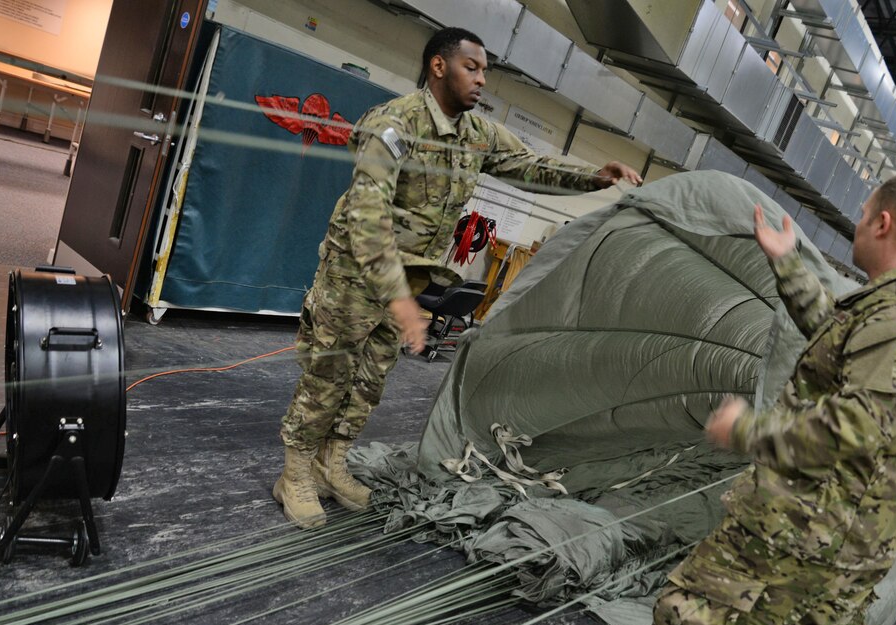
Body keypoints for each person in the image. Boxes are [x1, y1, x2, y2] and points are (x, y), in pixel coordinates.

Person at [536, 173, 896, 625]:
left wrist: (750, 431)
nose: (857, 221)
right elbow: (836, 349)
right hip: (847, 541)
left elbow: (858, 429)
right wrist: (787, 265)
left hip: (805, 529)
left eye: (863, 210)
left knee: (701, 616)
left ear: (884, 223)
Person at [274, 27, 641, 529]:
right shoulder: (394, 124)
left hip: (409, 281)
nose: (482, 80)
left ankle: (331, 463)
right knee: (329, 375)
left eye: (485, 70)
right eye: (473, 67)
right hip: (356, 278)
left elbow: (527, 166)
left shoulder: (476, 136)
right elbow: (367, 217)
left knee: (369, 381)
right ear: (438, 66)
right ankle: (294, 474)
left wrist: (594, 177)